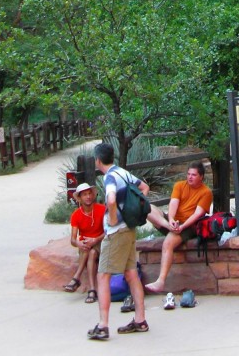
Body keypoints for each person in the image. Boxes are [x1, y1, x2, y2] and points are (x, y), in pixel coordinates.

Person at [88, 141, 149, 341]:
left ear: (98, 160)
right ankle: (140, 320)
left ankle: (103, 325)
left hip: (116, 233)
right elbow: (144, 188)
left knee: (103, 276)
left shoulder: (110, 178)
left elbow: (111, 200)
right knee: (131, 274)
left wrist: (113, 219)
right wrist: (133, 214)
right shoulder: (123, 172)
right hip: (129, 230)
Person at [143, 161, 213, 294]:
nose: (190, 177)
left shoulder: (206, 192)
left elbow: (198, 214)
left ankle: (161, 281)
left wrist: (182, 226)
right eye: (188, 174)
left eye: (193, 175)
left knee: (167, 243)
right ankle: (168, 226)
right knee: (147, 207)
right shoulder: (179, 185)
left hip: (188, 226)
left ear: (201, 177)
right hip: (173, 223)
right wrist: (171, 220)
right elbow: (173, 203)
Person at [64, 181, 105, 303]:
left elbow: (109, 231)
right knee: (90, 251)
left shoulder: (102, 209)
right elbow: (73, 239)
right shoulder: (76, 215)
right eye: (84, 195)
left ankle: (77, 277)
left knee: (91, 250)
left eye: (89, 194)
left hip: (100, 241)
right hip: (86, 246)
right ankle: (92, 289)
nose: (88, 197)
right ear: (80, 198)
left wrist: (96, 239)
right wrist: (78, 243)